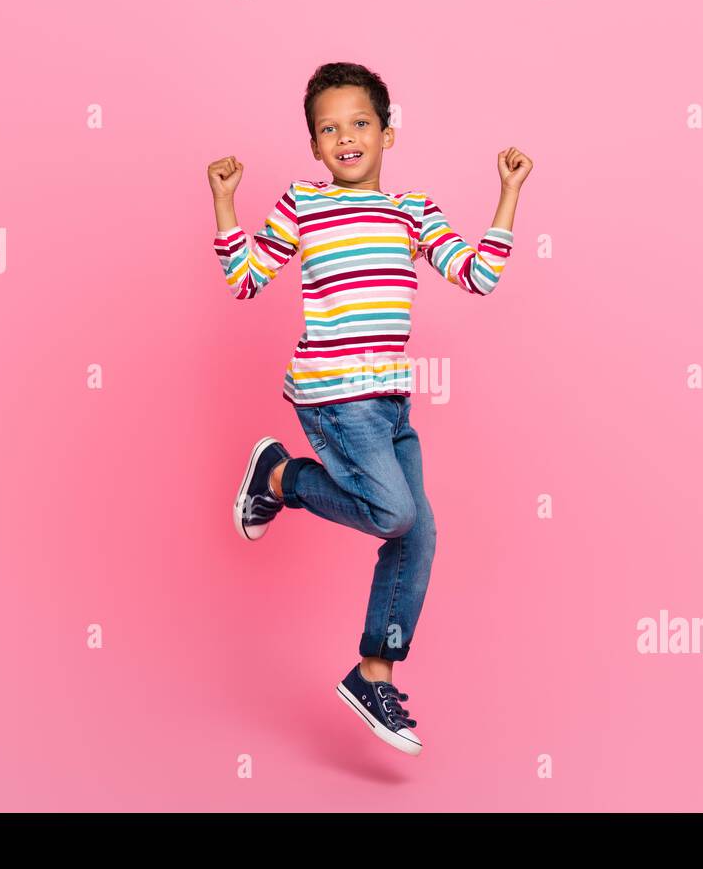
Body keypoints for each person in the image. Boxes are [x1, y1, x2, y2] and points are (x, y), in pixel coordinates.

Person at [207, 61, 532, 756]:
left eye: (359, 123)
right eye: (329, 128)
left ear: (388, 133)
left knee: (417, 536)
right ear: (315, 146)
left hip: (389, 402)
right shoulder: (303, 203)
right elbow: (245, 278)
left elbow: (477, 276)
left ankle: (373, 670)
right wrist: (225, 203)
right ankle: (281, 479)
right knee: (396, 512)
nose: (345, 137)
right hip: (334, 395)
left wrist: (507, 196)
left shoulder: (412, 210)